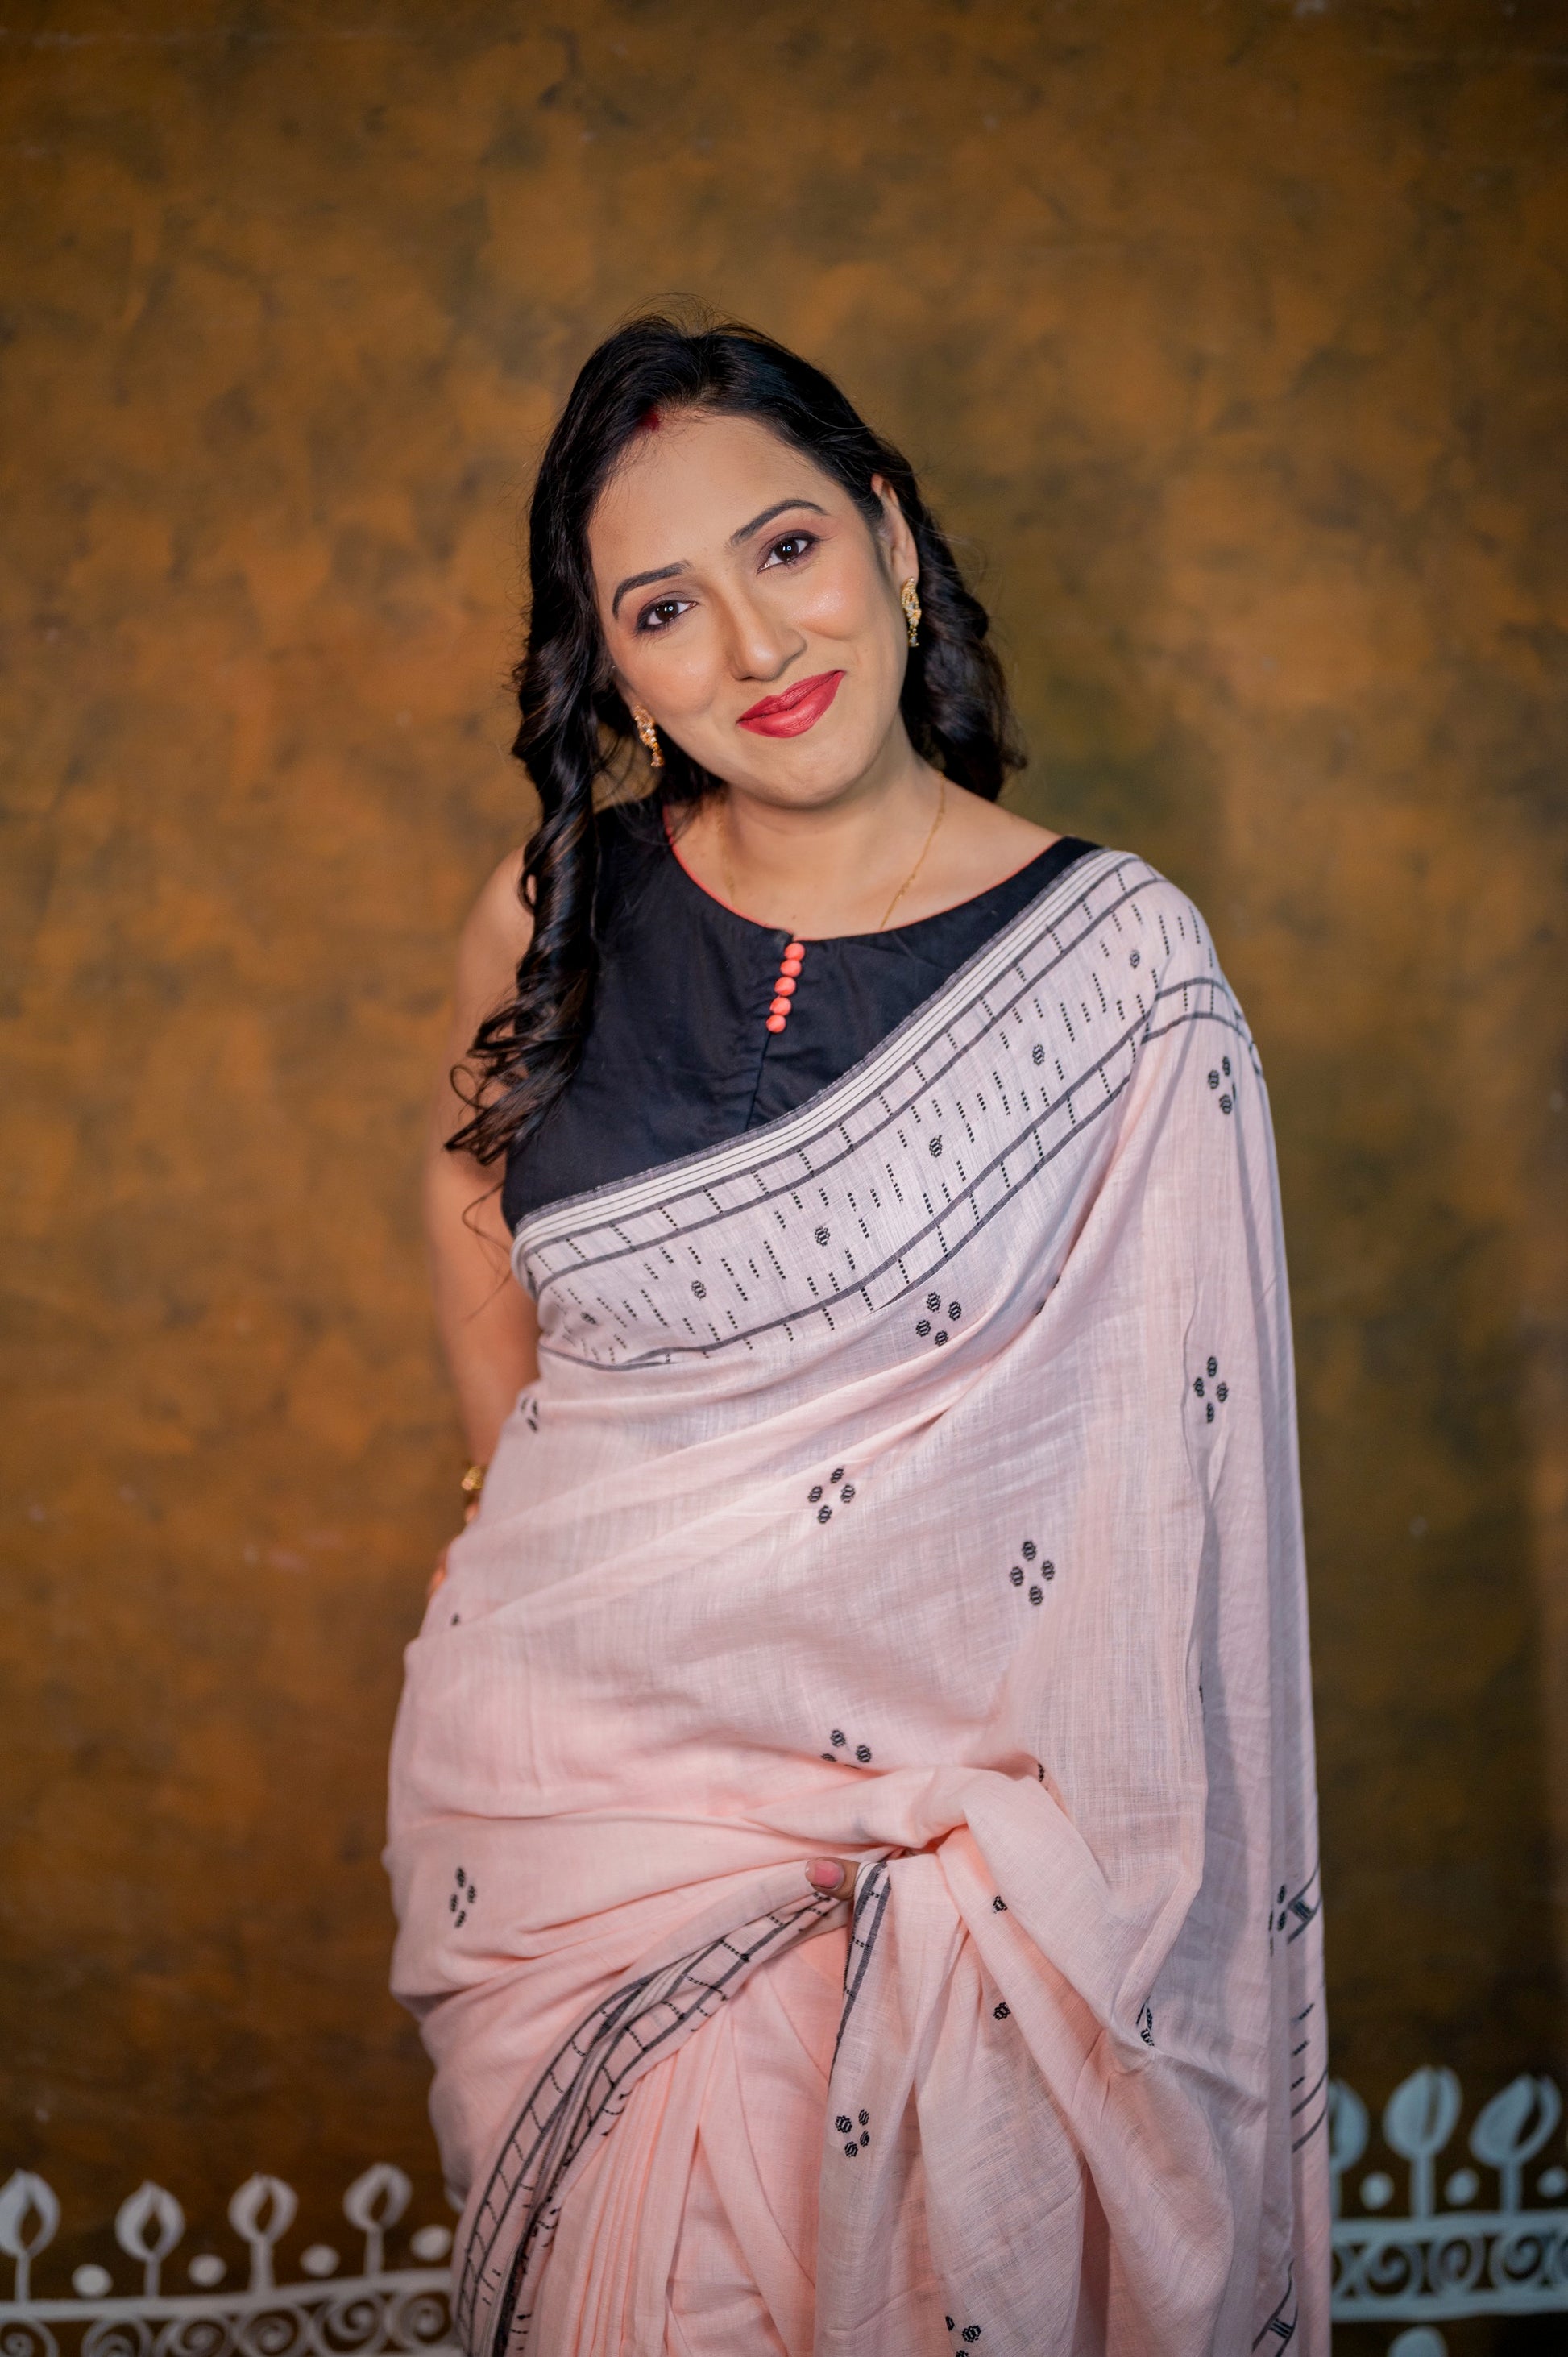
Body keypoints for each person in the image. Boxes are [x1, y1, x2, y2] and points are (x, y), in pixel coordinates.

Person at [386, 315, 1328, 2357]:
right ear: (611, 666)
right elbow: (468, 1180)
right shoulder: (552, 912)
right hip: (575, 1829)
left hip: (965, 1891)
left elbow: (1167, 1495)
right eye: (663, 608)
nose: (752, 645)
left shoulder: (1118, 971)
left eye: (788, 549)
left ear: (890, 540)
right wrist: (509, 1513)